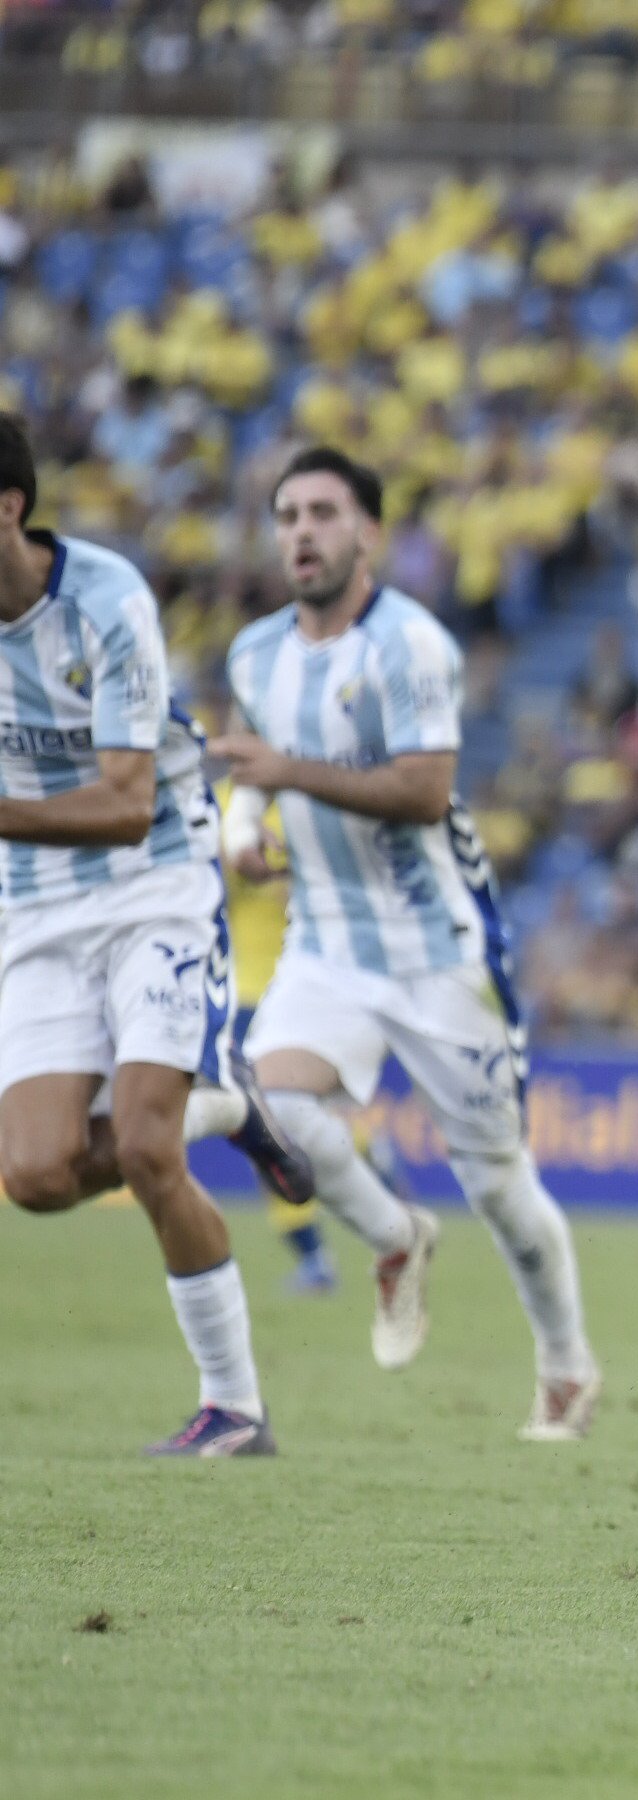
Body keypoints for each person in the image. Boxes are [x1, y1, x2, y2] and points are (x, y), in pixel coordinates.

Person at [206, 447, 602, 1443]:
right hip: (327, 943)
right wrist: (244, 823)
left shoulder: (411, 645)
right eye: (288, 514)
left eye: (324, 513)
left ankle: (565, 1366)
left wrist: (283, 775)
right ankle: (394, 1237)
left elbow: (423, 788)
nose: (301, 531)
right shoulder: (256, 652)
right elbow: (258, 763)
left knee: (500, 1188)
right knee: (272, 1102)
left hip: (438, 955)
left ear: (368, 532)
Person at [0, 410, 317, 1457]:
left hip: (153, 881)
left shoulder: (106, 601)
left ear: (8, 509)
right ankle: (224, 1103)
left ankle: (234, 1408)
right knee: (37, 1179)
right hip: (37, 902)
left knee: (142, 1146)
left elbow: (127, 803)